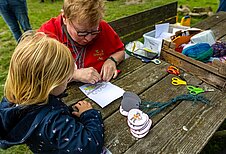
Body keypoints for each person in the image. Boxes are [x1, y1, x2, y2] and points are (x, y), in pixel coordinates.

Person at [0, 32, 104, 154]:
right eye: (66, 79)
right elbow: (89, 146)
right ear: (51, 85)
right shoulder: (54, 122)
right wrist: (89, 115)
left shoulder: (13, 101)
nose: (68, 81)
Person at [38, 0, 125, 84]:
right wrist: (74, 75)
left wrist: (112, 60)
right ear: (65, 18)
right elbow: (38, 73)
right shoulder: (47, 36)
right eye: (82, 32)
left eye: (94, 31)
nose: (88, 38)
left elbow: (120, 51)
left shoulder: (103, 27)